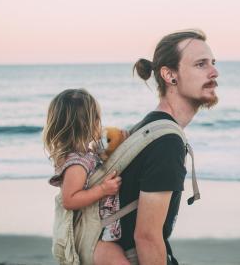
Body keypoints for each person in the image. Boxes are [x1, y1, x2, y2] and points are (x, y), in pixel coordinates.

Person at [110, 29, 219, 265]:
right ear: (170, 75)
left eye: (213, 63)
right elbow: (147, 237)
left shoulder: (148, 125)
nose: (214, 72)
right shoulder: (166, 142)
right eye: (201, 64)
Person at [43, 88, 130, 265]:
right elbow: (69, 199)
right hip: (92, 236)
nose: (100, 123)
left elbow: (99, 160)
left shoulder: (86, 154)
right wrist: (102, 190)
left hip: (100, 228)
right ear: (88, 123)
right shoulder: (77, 164)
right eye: (97, 118)